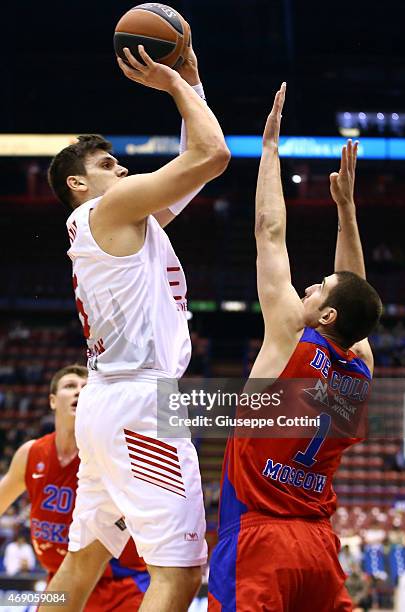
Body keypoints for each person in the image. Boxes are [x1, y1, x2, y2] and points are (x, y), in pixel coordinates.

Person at [43, 43, 230, 612]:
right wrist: (174, 85)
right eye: (107, 166)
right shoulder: (113, 209)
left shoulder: (115, 220)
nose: (121, 169)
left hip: (110, 399)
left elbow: (192, 176)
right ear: (78, 185)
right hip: (139, 405)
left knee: (83, 561)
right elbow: (214, 154)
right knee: (179, 572)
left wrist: (192, 90)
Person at [208, 84, 382, 611]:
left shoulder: (288, 340)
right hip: (318, 549)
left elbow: (269, 231)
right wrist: (346, 211)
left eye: (317, 289)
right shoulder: (362, 367)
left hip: (260, 541)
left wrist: (268, 153)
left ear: (325, 315)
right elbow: (356, 291)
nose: (307, 287)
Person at [0, 365, 149, 610]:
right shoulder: (31, 453)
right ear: (52, 401)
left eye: (87, 388)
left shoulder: (114, 452)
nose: (79, 392)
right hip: (60, 580)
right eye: (70, 386)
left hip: (118, 584)